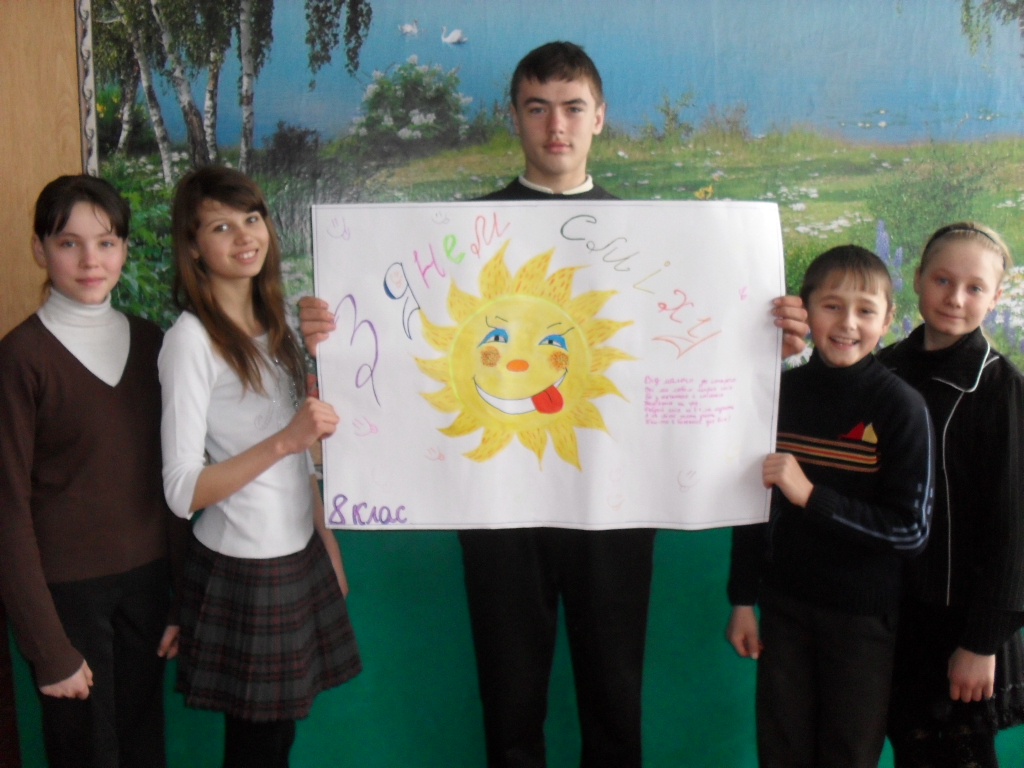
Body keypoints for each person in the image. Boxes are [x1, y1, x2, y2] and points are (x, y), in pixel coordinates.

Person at [299, 41, 809, 767]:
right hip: (496, 505)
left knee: (615, 701)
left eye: (572, 108)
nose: (556, 126)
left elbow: (691, 343)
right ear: (514, 117)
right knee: (510, 704)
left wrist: (767, 340)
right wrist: (334, 332)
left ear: (599, 116)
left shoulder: (662, 238)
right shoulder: (454, 235)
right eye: (537, 108)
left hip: (617, 506)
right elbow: (401, 345)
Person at [159, 166, 360, 768]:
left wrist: (326, 540)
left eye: (252, 218)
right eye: (221, 227)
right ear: (194, 246)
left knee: (278, 740)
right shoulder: (191, 339)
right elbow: (182, 490)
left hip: (296, 550)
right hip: (244, 563)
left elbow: (299, 463)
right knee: (257, 748)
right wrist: (284, 440)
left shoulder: (278, 324)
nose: (245, 236)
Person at [0, 175, 186, 768]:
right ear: (39, 249)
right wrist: (47, 646)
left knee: (143, 748)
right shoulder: (21, 358)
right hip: (66, 602)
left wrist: (180, 599)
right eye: (68, 243)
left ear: (124, 249)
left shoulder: (152, 342)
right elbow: (6, 510)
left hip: (148, 589)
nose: (90, 261)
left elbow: (173, 476)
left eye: (106, 243)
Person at [726, 245, 935, 768]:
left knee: (848, 752)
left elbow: (910, 531)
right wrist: (742, 600)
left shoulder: (902, 407)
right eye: (832, 306)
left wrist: (812, 496)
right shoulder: (777, 395)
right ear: (805, 310)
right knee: (782, 749)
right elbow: (751, 507)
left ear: (887, 319)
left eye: (865, 310)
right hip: (784, 608)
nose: (847, 324)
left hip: (862, 620)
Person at [879, 222, 1024, 768]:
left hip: (961, 629)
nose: (955, 298)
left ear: (995, 297)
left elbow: (1015, 528)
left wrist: (982, 642)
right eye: (942, 279)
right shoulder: (883, 369)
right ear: (917, 277)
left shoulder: (1002, 389)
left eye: (974, 287)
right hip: (889, 616)